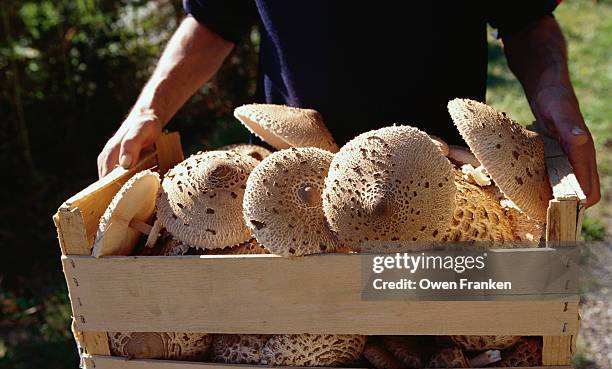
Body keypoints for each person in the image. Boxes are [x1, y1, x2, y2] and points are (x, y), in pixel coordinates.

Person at [97, 1, 600, 207]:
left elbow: (526, 19)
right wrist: (150, 107)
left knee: (426, 363)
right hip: (292, 191)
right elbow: (212, 19)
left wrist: (557, 100)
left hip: (447, 187)